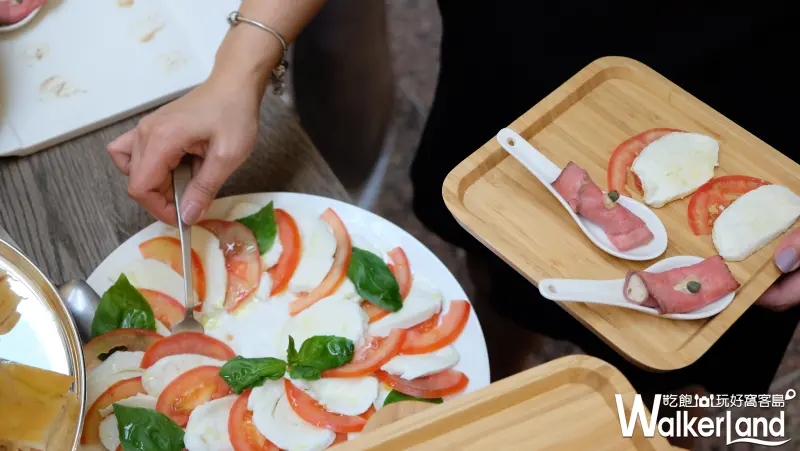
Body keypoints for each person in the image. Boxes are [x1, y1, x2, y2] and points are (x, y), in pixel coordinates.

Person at [108, 0, 800, 400]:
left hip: (751, 94)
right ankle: (483, 375)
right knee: (497, 267)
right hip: (525, 45)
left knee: (684, 373)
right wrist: (241, 64)